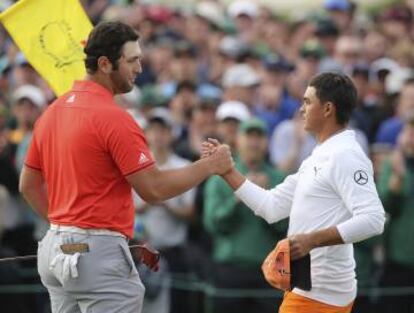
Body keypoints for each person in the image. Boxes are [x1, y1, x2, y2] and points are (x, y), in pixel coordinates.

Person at [18, 21, 233, 313]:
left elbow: (28, 186)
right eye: (132, 60)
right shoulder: (115, 118)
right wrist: (210, 166)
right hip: (96, 257)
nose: (140, 68)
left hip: (55, 248)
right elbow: (154, 189)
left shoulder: (52, 111)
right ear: (105, 64)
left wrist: (68, 229)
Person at [202, 72, 385, 313]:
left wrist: (312, 239)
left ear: (328, 108)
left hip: (320, 296)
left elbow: (374, 220)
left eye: (308, 102)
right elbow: (271, 206)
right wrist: (228, 172)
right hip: (307, 291)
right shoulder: (319, 156)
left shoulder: (346, 155)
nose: (301, 109)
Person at [203, 117, 287, 313]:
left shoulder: (279, 179)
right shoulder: (219, 178)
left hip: (269, 271)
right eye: (249, 136)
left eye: (260, 136)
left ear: (267, 143)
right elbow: (213, 224)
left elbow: (285, 228)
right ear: (238, 141)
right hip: (230, 270)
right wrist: (240, 196)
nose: (254, 142)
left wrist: (266, 200)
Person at [377, 114, 414, 313]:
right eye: (409, 131)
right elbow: (385, 206)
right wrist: (398, 179)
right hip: (398, 258)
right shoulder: (394, 164)